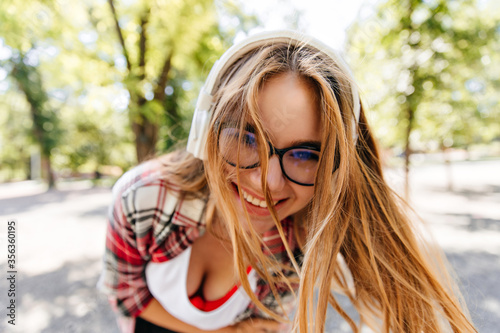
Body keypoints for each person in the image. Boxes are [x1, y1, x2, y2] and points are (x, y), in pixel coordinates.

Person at [98, 30, 476, 333]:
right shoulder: (143, 197)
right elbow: (125, 295)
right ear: (204, 131)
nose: (268, 182)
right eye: (247, 138)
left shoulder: (298, 248)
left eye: (306, 154)